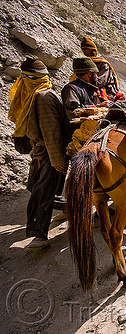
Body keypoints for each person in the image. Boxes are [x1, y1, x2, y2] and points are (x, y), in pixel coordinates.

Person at [8, 56, 72, 250]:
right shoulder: (34, 96)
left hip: (48, 154)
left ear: (31, 78)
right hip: (41, 152)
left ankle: (39, 235)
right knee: (36, 187)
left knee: (41, 191)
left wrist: (57, 160)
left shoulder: (43, 97)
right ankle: (71, 208)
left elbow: (51, 132)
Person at [79, 36, 124, 101]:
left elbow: (100, 82)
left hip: (106, 92)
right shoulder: (84, 63)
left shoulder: (103, 64)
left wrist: (85, 84)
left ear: (92, 50)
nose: (84, 51)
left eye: (86, 49)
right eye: (83, 49)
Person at [61, 57, 100, 127]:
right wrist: (98, 107)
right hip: (76, 133)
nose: (97, 77)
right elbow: (73, 113)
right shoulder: (71, 89)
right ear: (90, 74)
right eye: (96, 74)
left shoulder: (89, 89)